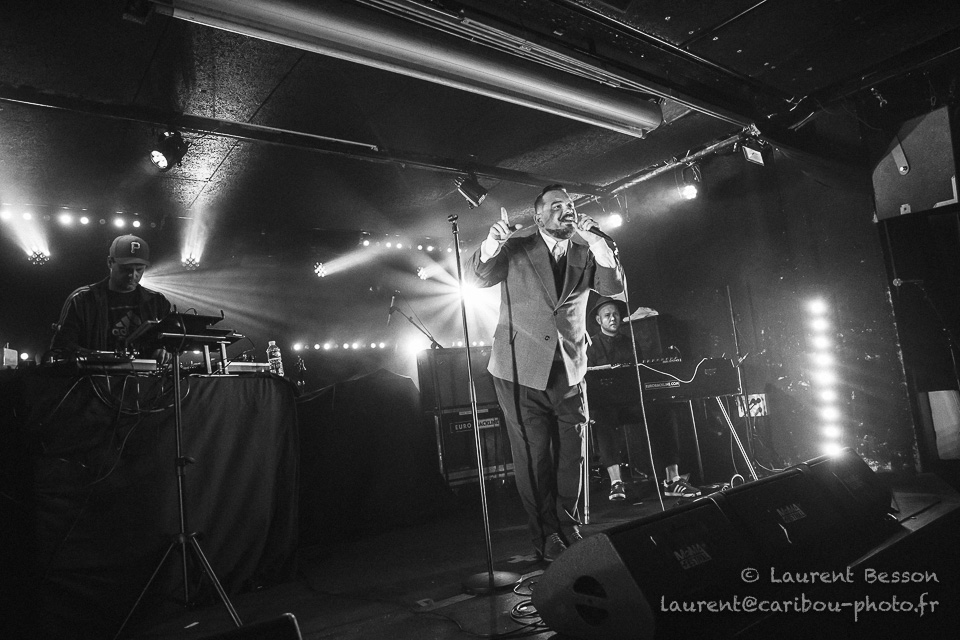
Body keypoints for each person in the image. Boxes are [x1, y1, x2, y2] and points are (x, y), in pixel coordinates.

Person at [469, 184, 623, 563]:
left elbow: (613, 288)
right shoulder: (517, 244)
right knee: (534, 456)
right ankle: (546, 535)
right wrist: (491, 244)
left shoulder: (587, 248)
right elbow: (481, 276)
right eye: (556, 206)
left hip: (569, 368)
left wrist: (599, 241)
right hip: (519, 368)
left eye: (569, 204)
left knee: (573, 453)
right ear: (538, 216)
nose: (566, 210)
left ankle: (567, 524)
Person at [586, 297, 701, 500]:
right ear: (598, 320)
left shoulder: (630, 343)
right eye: (607, 315)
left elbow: (640, 374)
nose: (612, 318)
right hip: (607, 406)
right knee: (603, 418)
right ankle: (616, 483)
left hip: (632, 404)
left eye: (615, 314)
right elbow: (589, 381)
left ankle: (672, 480)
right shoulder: (591, 345)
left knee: (664, 410)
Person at [50, 234, 172, 363]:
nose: (132, 275)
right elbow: (62, 346)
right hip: (94, 374)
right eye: (126, 269)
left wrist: (164, 350)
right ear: (110, 262)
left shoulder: (157, 302)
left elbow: (172, 342)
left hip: (146, 375)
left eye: (139, 269)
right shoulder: (82, 300)